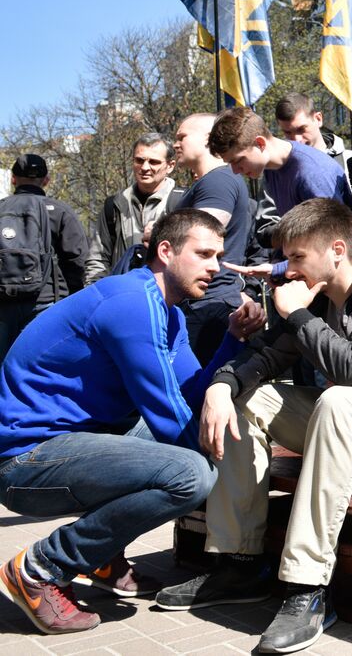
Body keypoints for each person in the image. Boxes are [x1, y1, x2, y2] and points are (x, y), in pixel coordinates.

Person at [157, 199, 352, 655]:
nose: (288, 269)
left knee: (338, 399)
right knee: (248, 398)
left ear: (337, 250)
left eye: (297, 257)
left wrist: (299, 315)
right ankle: (240, 564)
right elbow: (266, 356)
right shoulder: (317, 293)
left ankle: (307, 588)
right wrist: (222, 385)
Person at [0, 209, 260, 636]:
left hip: (71, 439)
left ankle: (102, 555)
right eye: (204, 253)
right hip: (22, 461)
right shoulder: (131, 305)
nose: (216, 266)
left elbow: (189, 394)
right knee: (191, 476)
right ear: (165, 251)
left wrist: (232, 339)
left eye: (219, 255)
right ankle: (40, 568)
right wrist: (222, 477)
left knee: (194, 451)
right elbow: (168, 417)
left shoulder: (168, 312)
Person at [171, 113, 256, 363]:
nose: (175, 144)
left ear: (206, 138)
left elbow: (200, 237)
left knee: (201, 392)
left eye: (182, 137)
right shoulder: (213, 181)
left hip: (209, 306)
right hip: (205, 303)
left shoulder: (218, 181)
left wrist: (157, 231)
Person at [0, 154, 87, 353]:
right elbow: (77, 260)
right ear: (46, 180)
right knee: (39, 367)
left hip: (3, 303)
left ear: (13, 178)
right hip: (46, 303)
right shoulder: (59, 211)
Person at [208, 106, 352, 215]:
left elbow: (333, 238)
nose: (235, 170)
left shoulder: (311, 172)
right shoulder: (271, 168)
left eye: (238, 160)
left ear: (260, 144)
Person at [84, 133, 181, 285]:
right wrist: (96, 294)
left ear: (170, 166)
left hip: (168, 298)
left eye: (154, 162)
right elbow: (98, 257)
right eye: (139, 160)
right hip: (122, 295)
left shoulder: (182, 202)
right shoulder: (115, 205)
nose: (145, 167)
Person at [274, 93, 352, 181]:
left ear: (318, 119)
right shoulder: (277, 173)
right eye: (288, 132)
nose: (297, 139)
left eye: (301, 129)